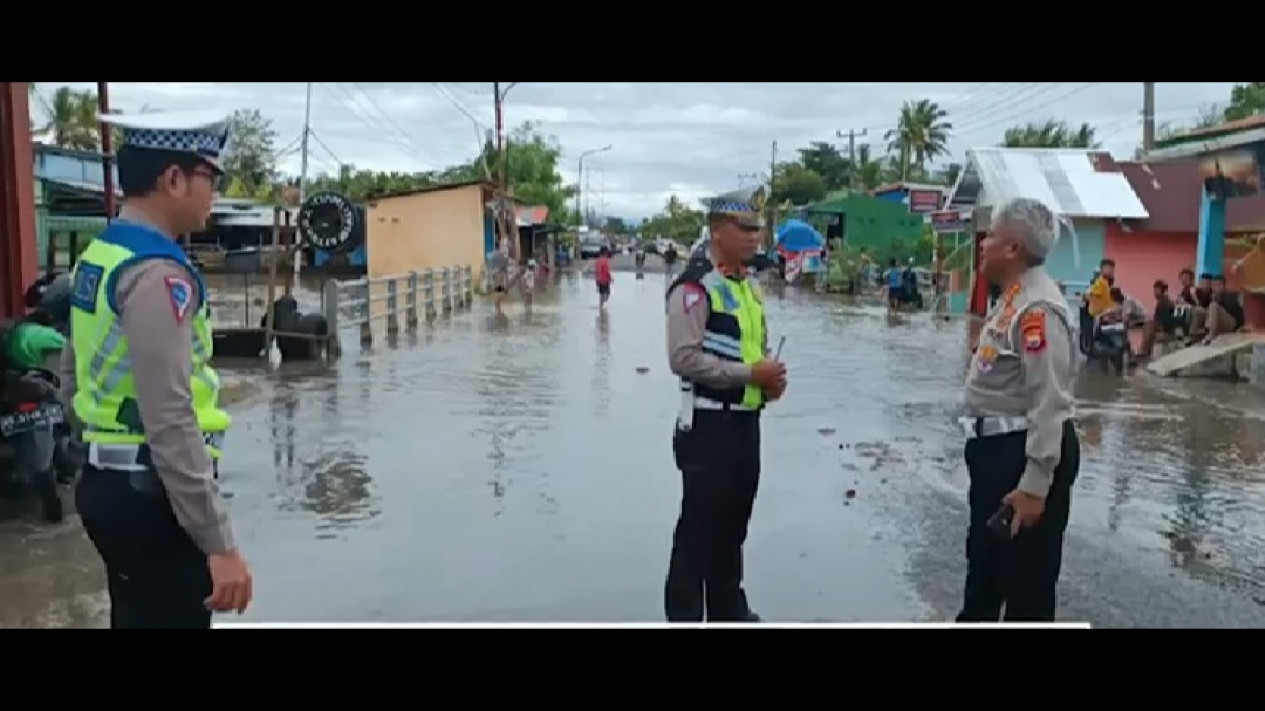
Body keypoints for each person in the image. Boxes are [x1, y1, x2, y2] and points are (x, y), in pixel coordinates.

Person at [61, 110, 252, 629]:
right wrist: (219, 542)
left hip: (109, 483)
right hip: (154, 498)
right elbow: (171, 417)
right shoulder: (159, 274)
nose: (214, 192)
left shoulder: (102, 255)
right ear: (174, 179)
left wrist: (92, 456)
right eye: (211, 177)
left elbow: (72, 372)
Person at [663, 185, 786, 623]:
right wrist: (750, 375)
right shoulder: (695, 287)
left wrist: (769, 382)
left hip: (745, 425)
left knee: (733, 528)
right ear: (717, 231)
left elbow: (753, 351)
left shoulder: (748, 288)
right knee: (698, 531)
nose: (756, 236)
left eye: (758, 228)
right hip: (708, 428)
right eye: (745, 227)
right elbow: (683, 358)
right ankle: (685, 615)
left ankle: (728, 612)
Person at [960, 197, 1080, 623]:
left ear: (1013, 249)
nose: (982, 244)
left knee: (1026, 589)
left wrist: (1034, 485)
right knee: (986, 576)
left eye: (990, 235)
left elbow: (1051, 403)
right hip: (998, 452)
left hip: (1023, 454)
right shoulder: (1014, 298)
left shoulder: (1037, 310)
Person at [1201, 274, 1245, 344]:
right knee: (1202, 310)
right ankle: (1197, 335)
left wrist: (1241, 327)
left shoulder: (1233, 295)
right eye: (1213, 285)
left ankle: (1211, 334)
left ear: (1223, 285)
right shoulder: (1214, 298)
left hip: (1232, 323)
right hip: (1222, 325)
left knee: (1213, 305)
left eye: (1217, 285)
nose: (1215, 288)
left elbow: (1242, 312)